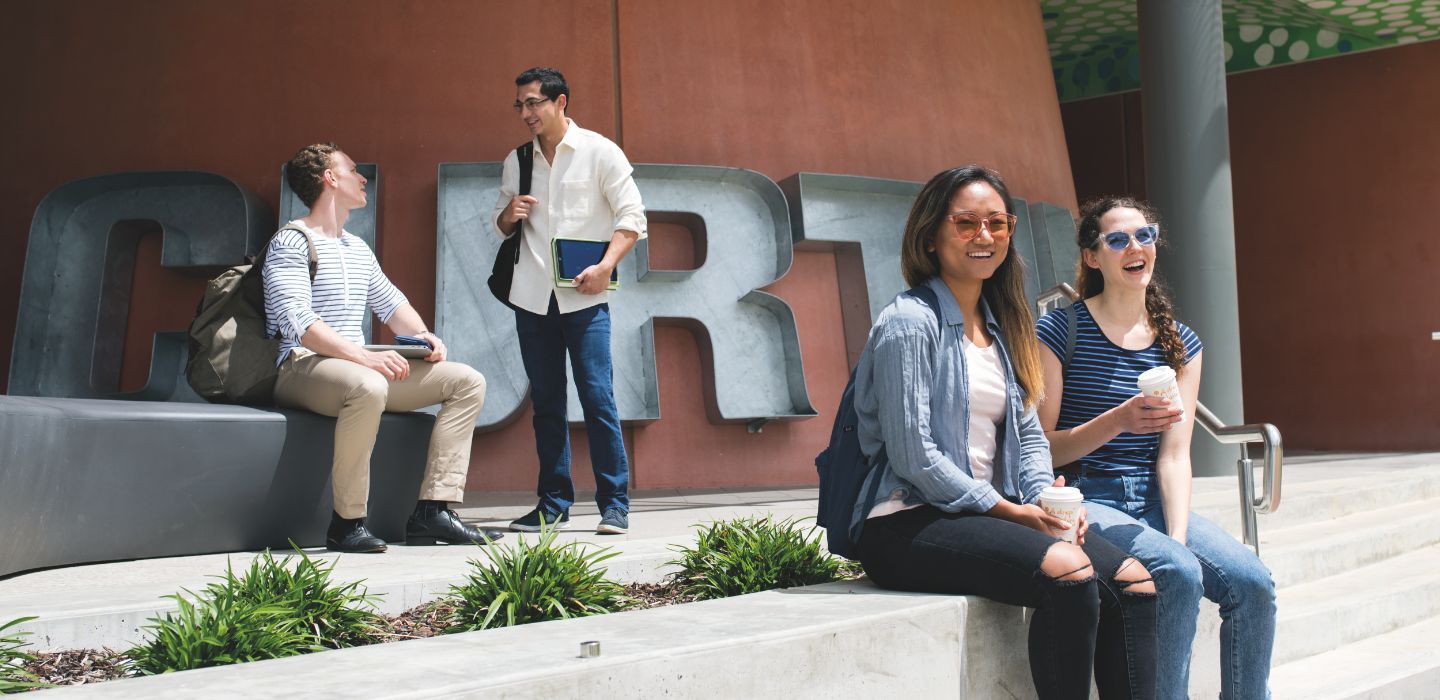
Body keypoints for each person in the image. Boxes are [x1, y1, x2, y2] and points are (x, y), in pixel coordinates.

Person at [852, 166, 1157, 699]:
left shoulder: (1003, 324)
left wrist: (1045, 501)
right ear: (931, 235)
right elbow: (914, 456)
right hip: (907, 520)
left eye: (997, 223)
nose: (984, 235)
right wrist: (1010, 512)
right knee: (1068, 571)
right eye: (966, 223)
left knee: (1134, 582)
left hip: (989, 514)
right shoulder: (910, 322)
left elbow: (1030, 435)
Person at [1035, 196, 1276, 699]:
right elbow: (1042, 450)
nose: (1135, 247)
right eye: (1117, 239)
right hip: (1087, 498)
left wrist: (1178, 535)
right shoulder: (1059, 330)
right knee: (1178, 572)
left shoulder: (1180, 343)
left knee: (1252, 582)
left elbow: (1175, 455)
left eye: (1144, 235)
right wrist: (1118, 420)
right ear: (1092, 257)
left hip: (1153, 498)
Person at [264, 143, 496, 554]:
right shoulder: (291, 242)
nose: (362, 178)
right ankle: (347, 523)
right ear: (329, 178)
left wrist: (423, 337)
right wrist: (366, 358)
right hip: (302, 366)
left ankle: (433, 511)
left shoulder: (356, 248)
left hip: (353, 367)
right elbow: (298, 323)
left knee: (467, 381)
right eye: (353, 170)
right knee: (368, 386)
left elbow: (391, 304)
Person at [493, 67, 646, 536]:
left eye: (533, 102)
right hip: (530, 298)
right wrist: (509, 214)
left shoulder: (600, 151)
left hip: (584, 299)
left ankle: (614, 504)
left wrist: (605, 267)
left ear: (560, 102)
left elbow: (632, 218)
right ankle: (553, 505)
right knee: (547, 405)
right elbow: (501, 225)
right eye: (520, 105)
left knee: (598, 398)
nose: (526, 113)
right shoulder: (517, 160)